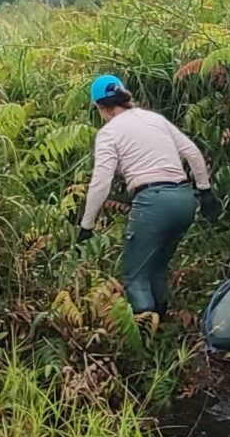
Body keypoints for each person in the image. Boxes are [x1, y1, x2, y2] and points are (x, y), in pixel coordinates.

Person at [76, 74, 216, 324]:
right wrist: (205, 192)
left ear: (100, 107)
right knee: (157, 267)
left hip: (153, 200)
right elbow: (192, 152)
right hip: (185, 200)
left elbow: (101, 181)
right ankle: (163, 326)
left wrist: (87, 224)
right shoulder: (154, 119)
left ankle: (144, 340)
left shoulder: (109, 132)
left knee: (135, 277)